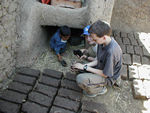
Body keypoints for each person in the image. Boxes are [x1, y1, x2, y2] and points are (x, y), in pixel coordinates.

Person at [71, 20, 122, 97]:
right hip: (101, 67)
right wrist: (83, 66)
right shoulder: (102, 42)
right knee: (78, 68)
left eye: (95, 39)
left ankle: (101, 89)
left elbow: (105, 74)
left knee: (80, 79)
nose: (93, 41)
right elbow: (98, 60)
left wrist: (85, 67)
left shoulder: (112, 52)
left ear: (104, 37)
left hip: (108, 77)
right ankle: (92, 78)